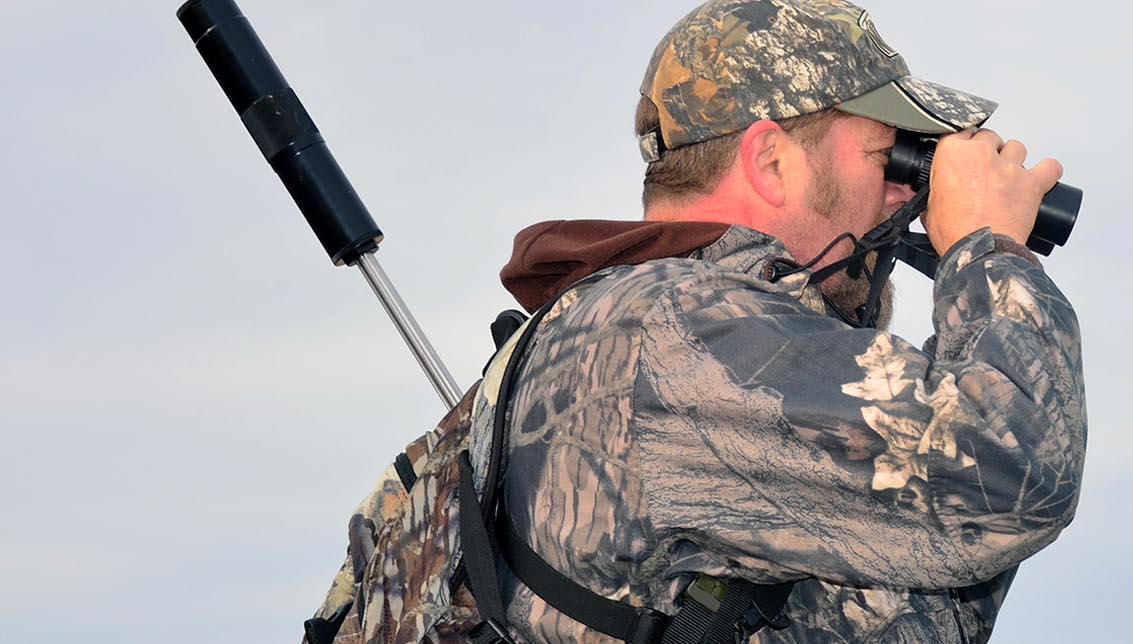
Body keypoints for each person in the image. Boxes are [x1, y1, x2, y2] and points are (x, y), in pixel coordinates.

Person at [306, 1, 1084, 642]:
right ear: (769, 161)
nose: (903, 195)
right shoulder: (674, 328)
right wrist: (986, 247)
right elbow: (1007, 469)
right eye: (890, 159)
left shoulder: (636, 325)